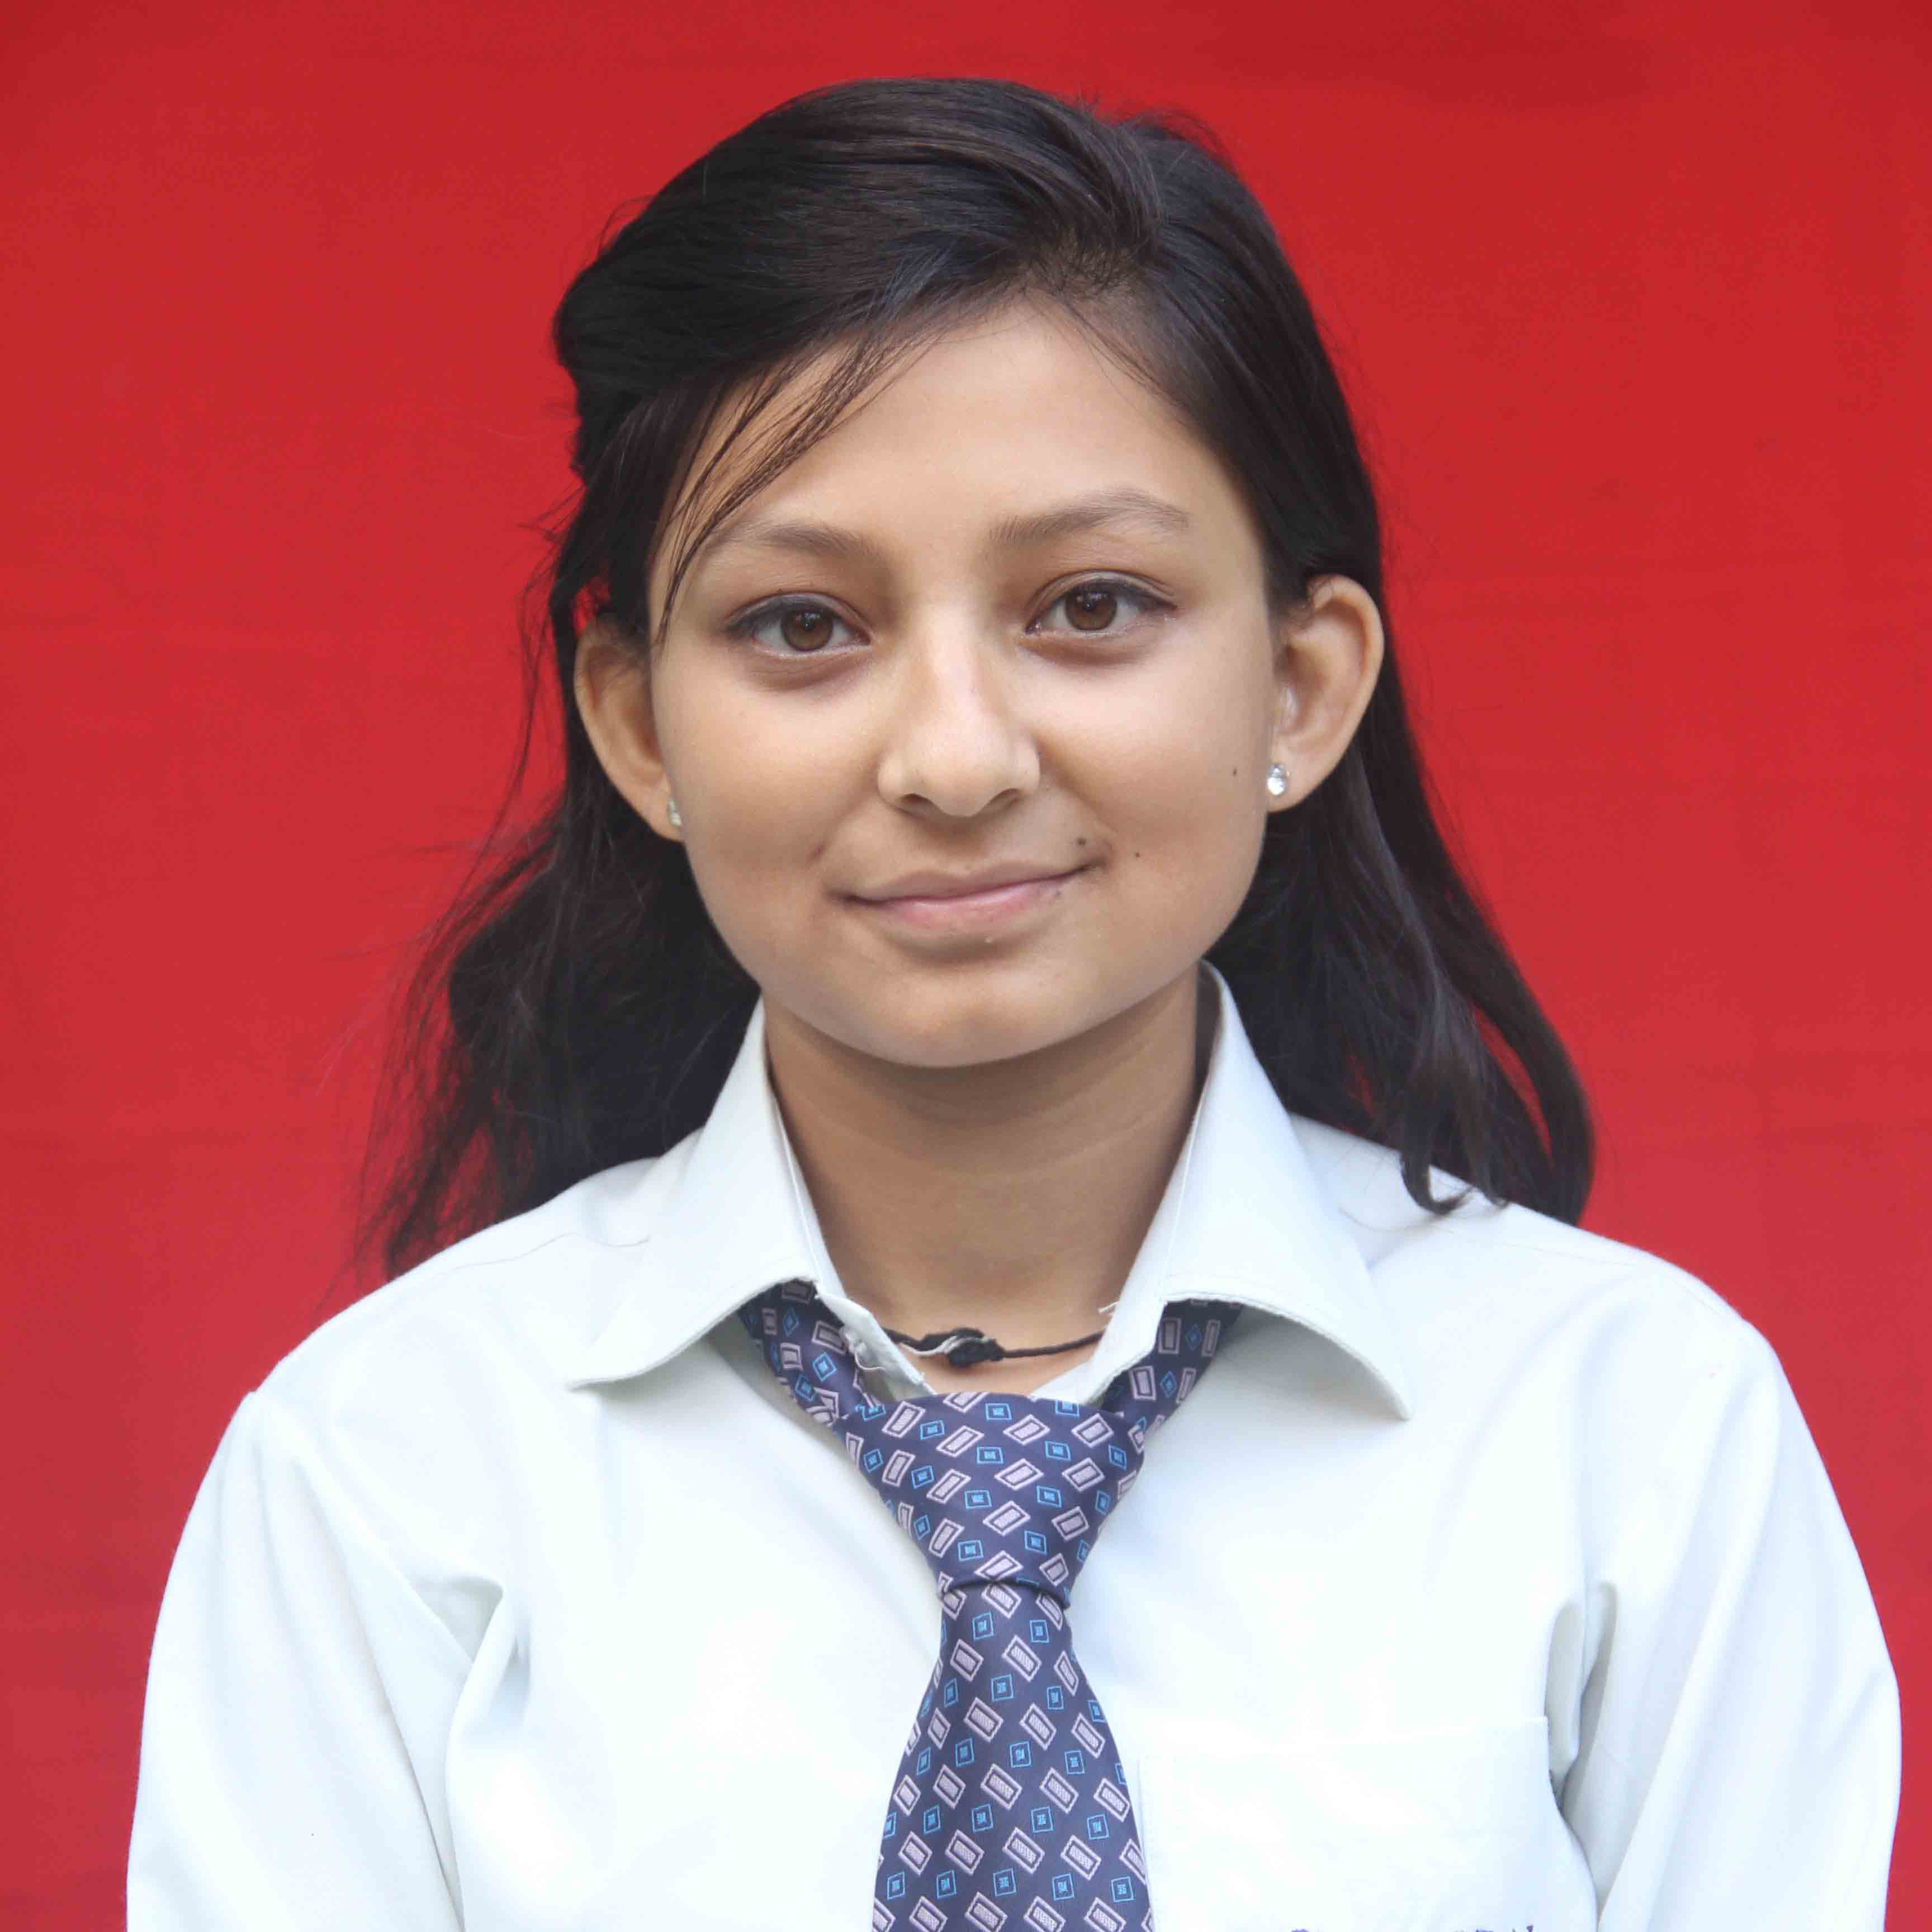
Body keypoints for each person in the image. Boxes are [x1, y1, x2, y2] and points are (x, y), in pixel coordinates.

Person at [126, 75, 1900, 1931]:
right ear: (641, 725)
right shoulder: (387, 1473)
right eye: (803, 625)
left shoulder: (1628, 1432)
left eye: (1091, 606)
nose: (957, 760)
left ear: (1300, 686)